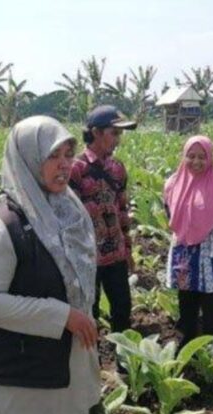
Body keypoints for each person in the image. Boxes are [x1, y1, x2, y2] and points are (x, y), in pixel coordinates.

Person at [0, 116, 106, 414]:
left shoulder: (68, 209)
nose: (64, 165)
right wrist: (62, 315)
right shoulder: (1, 226)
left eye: (68, 154)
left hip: (68, 373)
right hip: (20, 387)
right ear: (26, 158)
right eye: (52, 156)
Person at [163, 135, 213, 351]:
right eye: (191, 156)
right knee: (186, 308)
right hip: (185, 255)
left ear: (210, 158)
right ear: (184, 157)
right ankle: (186, 356)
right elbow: (168, 211)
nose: (197, 161)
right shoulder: (172, 183)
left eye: (202, 156)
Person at [69, 105, 137, 332]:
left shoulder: (117, 168)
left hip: (115, 254)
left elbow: (122, 211)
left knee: (122, 309)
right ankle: (91, 364)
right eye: (114, 133)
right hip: (88, 257)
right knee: (90, 312)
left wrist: (127, 250)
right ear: (96, 133)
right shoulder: (75, 169)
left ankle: (124, 364)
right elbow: (69, 218)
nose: (118, 140)